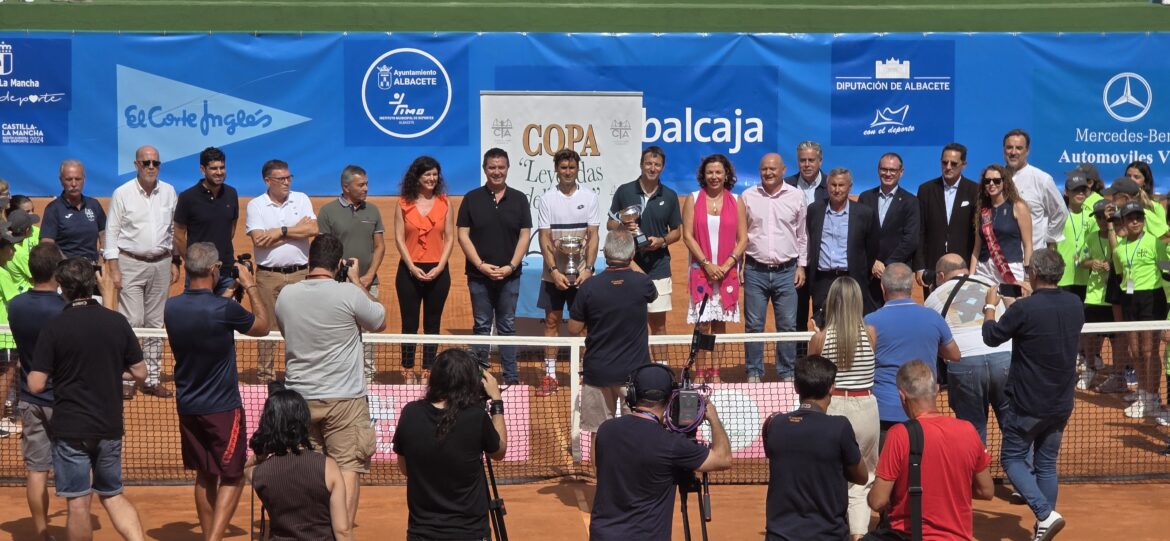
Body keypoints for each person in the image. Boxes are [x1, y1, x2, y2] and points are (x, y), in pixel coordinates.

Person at [28, 257, 148, 541]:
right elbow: (140, 372)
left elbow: (35, 384)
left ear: (63, 289)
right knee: (113, 496)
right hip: (109, 426)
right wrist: (112, 370)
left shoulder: (54, 326)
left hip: (71, 430)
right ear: (91, 284)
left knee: (79, 503)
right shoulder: (116, 322)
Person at [275, 233, 385, 530]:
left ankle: (316, 532)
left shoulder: (286, 295)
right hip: (345, 401)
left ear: (310, 261)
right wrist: (356, 281)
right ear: (339, 264)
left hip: (300, 400)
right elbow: (379, 320)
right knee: (347, 467)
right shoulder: (348, 293)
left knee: (313, 470)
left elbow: (288, 333)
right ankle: (342, 534)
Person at [164, 242, 270, 541]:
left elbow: (207, 314)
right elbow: (262, 326)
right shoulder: (224, 309)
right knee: (233, 476)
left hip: (188, 406)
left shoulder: (172, 308)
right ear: (213, 270)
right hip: (222, 408)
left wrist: (227, 295)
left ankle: (211, 533)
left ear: (186, 269)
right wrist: (249, 286)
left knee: (205, 474)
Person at [983, 248, 1085, 541]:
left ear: (1035, 274)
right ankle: (1045, 522)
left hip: (1027, 403)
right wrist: (1021, 305)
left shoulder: (1024, 310)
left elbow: (991, 336)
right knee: (1045, 464)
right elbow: (1044, 322)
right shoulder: (1075, 304)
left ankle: (1044, 513)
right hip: (1061, 402)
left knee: (1013, 459)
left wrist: (991, 308)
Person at [589, 364, 732, 540]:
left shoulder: (606, 430)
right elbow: (723, 459)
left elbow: (601, 466)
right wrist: (713, 418)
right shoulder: (671, 444)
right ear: (671, 397)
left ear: (633, 394)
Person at [867, 360, 994, 541]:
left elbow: (877, 501)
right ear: (936, 389)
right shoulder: (968, 430)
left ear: (902, 396)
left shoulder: (899, 435)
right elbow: (986, 491)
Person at [392, 349, 507, 540]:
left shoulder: (410, 413)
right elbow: (499, 451)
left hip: (422, 533)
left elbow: (405, 469)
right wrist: (496, 402)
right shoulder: (476, 417)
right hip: (470, 533)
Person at [763, 355, 867, 541]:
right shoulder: (840, 427)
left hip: (780, 536)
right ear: (831, 388)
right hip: (828, 535)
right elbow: (861, 476)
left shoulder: (773, 424)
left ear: (796, 387)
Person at [805, 276, 878, 540]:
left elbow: (811, 376)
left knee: (830, 474)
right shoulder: (871, 334)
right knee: (864, 478)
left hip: (833, 409)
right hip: (867, 408)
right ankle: (858, 534)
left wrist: (816, 334)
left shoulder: (821, 339)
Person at [104, 145, 178, 399]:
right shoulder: (122, 193)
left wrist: (175, 260)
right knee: (132, 321)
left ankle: (152, 378)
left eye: (155, 163)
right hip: (130, 263)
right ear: (136, 165)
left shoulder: (169, 192)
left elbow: (173, 232)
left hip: (162, 263)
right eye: (146, 163)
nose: (150, 167)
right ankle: (127, 378)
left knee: (155, 323)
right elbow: (111, 232)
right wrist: (114, 268)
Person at [568, 230, 657, 432]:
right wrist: (631, 259)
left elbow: (574, 329)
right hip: (634, 376)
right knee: (637, 435)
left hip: (598, 372)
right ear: (632, 254)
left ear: (605, 253)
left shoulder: (589, 287)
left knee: (598, 434)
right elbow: (652, 288)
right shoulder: (641, 284)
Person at [457, 148, 531, 385]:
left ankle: (511, 378)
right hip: (479, 276)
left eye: (501, 167)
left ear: (507, 169)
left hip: (510, 276)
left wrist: (510, 266)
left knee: (507, 327)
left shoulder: (519, 199)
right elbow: (463, 235)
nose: (496, 172)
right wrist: (480, 265)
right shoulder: (471, 198)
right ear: (484, 169)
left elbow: (524, 235)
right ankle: (480, 377)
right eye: (492, 167)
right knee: (481, 326)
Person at [864, 263, 960, 441]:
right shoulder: (933, 317)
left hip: (884, 412)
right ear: (910, 287)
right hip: (923, 412)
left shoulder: (870, 321)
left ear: (883, 287)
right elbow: (954, 355)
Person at [7, 243, 64, 540]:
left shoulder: (14, 306)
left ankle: (42, 533)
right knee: (76, 465)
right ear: (57, 271)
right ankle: (76, 527)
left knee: (36, 471)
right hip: (65, 402)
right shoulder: (65, 309)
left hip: (30, 400)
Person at [923, 253, 1011, 444]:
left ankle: (977, 472)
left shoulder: (933, 298)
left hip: (965, 363)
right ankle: (1023, 471)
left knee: (973, 430)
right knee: (1013, 427)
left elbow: (933, 339)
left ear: (940, 275)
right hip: (1004, 358)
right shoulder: (991, 284)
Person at [245, 159, 318, 384]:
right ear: (268, 181)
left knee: (300, 326)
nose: (287, 182)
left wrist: (279, 231)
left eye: (289, 178)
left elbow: (313, 229)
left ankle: (299, 375)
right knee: (267, 327)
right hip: (268, 276)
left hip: (300, 274)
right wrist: (296, 232)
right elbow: (259, 240)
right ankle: (266, 378)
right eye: (281, 179)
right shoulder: (255, 205)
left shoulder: (302, 199)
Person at [607, 146, 682, 362]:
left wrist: (662, 241)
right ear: (641, 164)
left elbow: (677, 232)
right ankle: (630, 369)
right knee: (628, 322)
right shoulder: (624, 191)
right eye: (649, 163)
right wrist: (623, 225)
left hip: (658, 268)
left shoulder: (669, 195)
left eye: (657, 164)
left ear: (662, 167)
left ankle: (661, 370)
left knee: (658, 325)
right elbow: (610, 223)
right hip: (626, 266)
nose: (652, 168)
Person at [246, 389, 352, 541]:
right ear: (304, 420)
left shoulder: (259, 473)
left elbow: (244, 469)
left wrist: (266, 446)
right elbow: (343, 531)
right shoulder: (328, 466)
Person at [536, 148, 600, 396]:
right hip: (553, 274)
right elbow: (544, 237)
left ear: (578, 169)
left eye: (572, 167)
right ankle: (550, 375)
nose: (568, 172)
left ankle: (584, 374)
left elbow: (593, 235)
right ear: (556, 170)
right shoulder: (546, 199)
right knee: (551, 322)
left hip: (581, 273)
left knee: (582, 326)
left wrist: (590, 269)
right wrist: (553, 271)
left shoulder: (590, 197)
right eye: (563, 168)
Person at [681, 154, 747, 383]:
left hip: (726, 272)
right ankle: (699, 373)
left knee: (719, 324)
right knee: (702, 324)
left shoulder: (736, 200)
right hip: (702, 271)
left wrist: (727, 264)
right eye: (710, 172)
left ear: (726, 174)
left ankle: (716, 373)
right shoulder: (693, 198)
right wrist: (707, 265)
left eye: (719, 172)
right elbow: (687, 236)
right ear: (703, 175)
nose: (714, 176)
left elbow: (743, 239)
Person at [742, 153, 807, 383]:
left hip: (787, 271)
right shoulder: (748, 196)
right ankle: (754, 372)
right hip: (754, 270)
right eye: (764, 169)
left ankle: (787, 373)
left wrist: (801, 266)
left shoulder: (796, 196)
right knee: (753, 326)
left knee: (788, 326)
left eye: (773, 169)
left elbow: (802, 235)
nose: (768, 173)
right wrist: (741, 265)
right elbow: (741, 235)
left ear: (783, 170)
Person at [319, 164, 386, 384]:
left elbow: (379, 247)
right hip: (336, 285)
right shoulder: (328, 211)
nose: (366, 188)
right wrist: (345, 275)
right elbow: (325, 248)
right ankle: (339, 376)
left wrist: (367, 277)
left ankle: (368, 378)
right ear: (346, 187)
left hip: (368, 282)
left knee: (369, 332)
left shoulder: (373, 210)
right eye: (361, 184)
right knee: (337, 330)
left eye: (366, 183)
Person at [394, 156, 455, 385]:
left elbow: (449, 238)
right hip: (409, 270)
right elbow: (399, 238)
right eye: (427, 174)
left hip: (438, 270)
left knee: (432, 323)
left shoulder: (445, 203)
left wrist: (440, 266)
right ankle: (408, 370)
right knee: (409, 323)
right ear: (417, 177)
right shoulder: (403, 203)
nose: (432, 178)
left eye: (434, 174)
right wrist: (411, 266)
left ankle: (428, 370)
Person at [1108, 202, 1167, 420]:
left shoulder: (1154, 242)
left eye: (1139, 218)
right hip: (1130, 299)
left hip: (1152, 298)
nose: (1135, 221)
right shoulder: (1119, 249)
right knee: (1135, 351)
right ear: (1122, 222)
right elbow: (1122, 275)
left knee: (1149, 351)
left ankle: (1153, 398)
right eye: (1131, 218)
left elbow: (1167, 269)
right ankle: (1143, 395)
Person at [807, 168, 880, 319]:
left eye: (841, 185)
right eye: (833, 185)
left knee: (852, 322)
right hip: (823, 280)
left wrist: (862, 274)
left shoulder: (864, 213)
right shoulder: (814, 210)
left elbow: (872, 248)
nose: (837, 189)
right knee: (823, 324)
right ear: (827, 186)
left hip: (851, 279)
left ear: (850, 187)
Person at [173, 146, 239, 295]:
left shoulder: (231, 193)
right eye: (214, 168)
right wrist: (194, 263)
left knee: (225, 315)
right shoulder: (187, 197)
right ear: (203, 169)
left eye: (222, 167)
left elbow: (231, 229)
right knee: (198, 316)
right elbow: (179, 235)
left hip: (226, 270)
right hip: (199, 273)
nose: (219, 172)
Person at [857, 152, 920, 308]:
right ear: (878, 170)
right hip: (869, 273)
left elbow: (910, 239)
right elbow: (858, 235)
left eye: (893, 170)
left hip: (896, 275)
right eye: (884, 169)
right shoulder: (865, 197)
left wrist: (887, 266)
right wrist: (872, 262)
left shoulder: (910, 201)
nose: (888, 173)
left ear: (901, 172)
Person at [915, 143, 979, 294]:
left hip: (962, 266)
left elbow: (977, 233)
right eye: (944, 162)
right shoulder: (926, 190)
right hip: (933, 267)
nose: (948, 167)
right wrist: (919, 266)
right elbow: (920, 230)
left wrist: (973, 268)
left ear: (964, 165)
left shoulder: (974, 190)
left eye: (954, 163)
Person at [785, 140, 829, 330]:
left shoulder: (831, 186)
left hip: (823, 264)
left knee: (825, 317)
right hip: (796, 264)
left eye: (811, 160)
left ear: (820, 161)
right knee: (796, 318)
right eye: (803, 160)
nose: (807, 164)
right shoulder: (786, 186)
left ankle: (824, 358)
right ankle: (799, 359)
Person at [1002, 129, 1068, 251]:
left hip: (1031, 257)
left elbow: (1061, 212)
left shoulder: (1042, 179)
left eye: (1019, 148)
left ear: (1027, 151)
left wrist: (1048, 239)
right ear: (1003, 149)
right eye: (1009, 147)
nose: (1013, 152)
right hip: (999, 258)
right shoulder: (995, 179)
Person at [970, 164, 1033, 286]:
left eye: (997, 180)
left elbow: (1028, 245)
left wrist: (1027, 277)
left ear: (1005, 182)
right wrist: (971, 277)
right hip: (984, 269)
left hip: (1010, 268)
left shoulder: (1018, 206)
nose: (992, 184)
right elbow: (976, 249)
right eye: (987, 181)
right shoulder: (982, 210)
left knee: (1011, 304)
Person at [39, 159, 107, 262]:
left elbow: (104, 233)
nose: (74, 184)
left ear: (84, 179)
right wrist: (67, 264)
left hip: (92, 269)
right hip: (65, 270)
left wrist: (102, 255)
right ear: (61, 180)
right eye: (69, 179)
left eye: (78, 179)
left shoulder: (93, 204)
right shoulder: (53, 209)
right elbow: (47, 243)